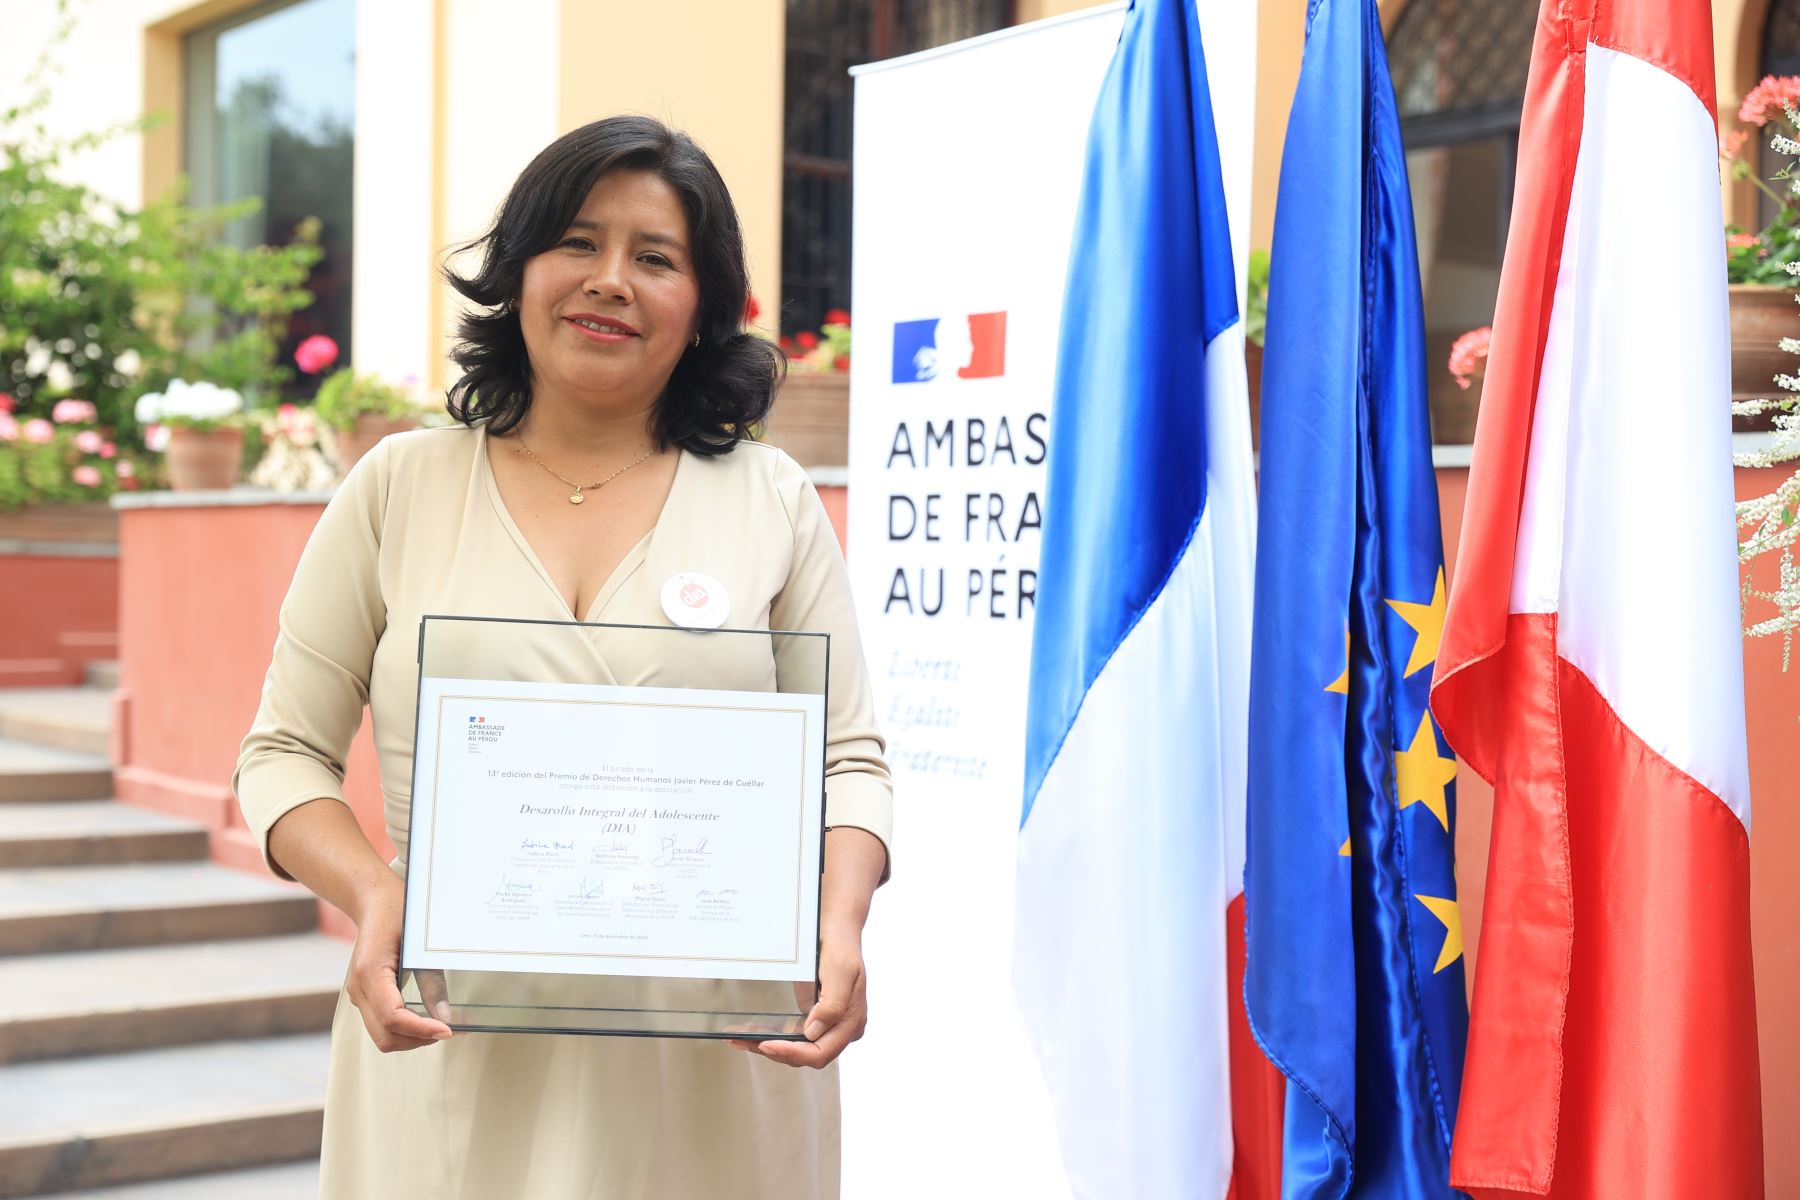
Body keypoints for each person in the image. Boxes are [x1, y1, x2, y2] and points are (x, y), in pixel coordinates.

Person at [233, 115, 892, 1198]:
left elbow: (850, 758)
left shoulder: (771, 498)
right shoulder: (399, 487)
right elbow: (281, 755)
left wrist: (839, 918)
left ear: (703, 304)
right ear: (521, 269)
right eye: (578, 243)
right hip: (454, 1042)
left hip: (716, 1064)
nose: (611, 281)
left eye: (657, 257)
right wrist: (371, 894)